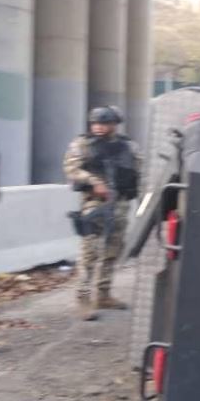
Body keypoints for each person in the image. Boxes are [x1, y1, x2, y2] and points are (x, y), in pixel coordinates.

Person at [63, 106, 140, 321]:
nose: (98, 127)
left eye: (104, 124)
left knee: (112, 251)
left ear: (115, 124)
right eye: (95, 123)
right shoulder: (82, 144)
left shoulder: (129, 147)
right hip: (94, 203)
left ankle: (103, 294)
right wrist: (94, 181)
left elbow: (140, 172)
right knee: (90, 252)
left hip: (121, 203)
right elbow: (71, 168)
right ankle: (83, 298)